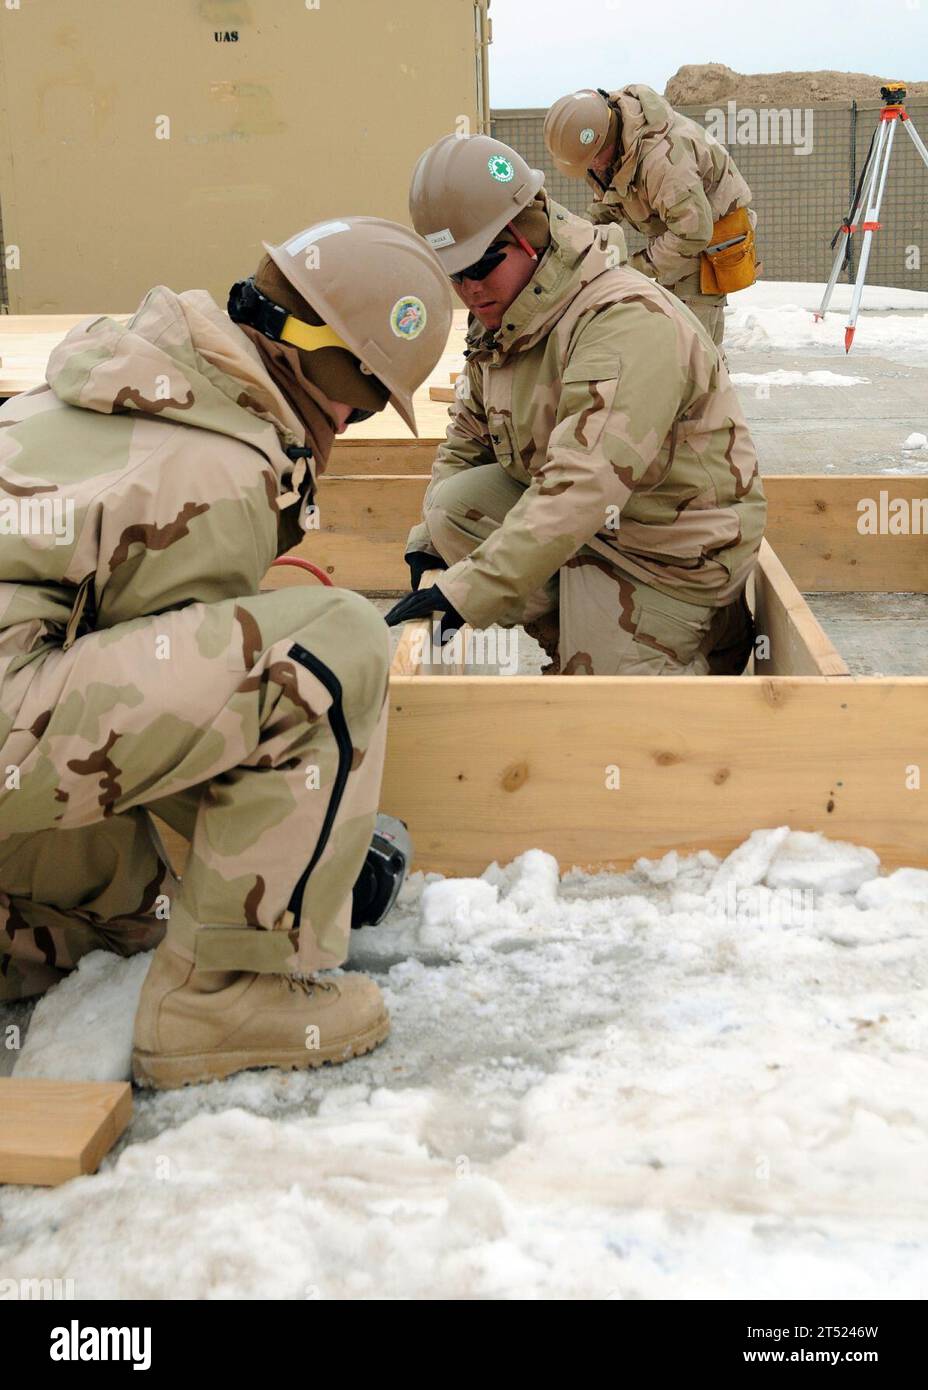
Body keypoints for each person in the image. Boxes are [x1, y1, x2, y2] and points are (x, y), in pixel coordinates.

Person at [0, 217, 451, 1088]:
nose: (350, 430)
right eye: (362, 408)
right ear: (327, 367)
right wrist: (319, 860)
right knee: (334, 643)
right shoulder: (216, 468)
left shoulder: (123, 385)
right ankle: (222, 995)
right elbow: (189, 743)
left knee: (133, 913)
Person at [388, 134, 766, 679]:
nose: (467, 289)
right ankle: (581, 624)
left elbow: (584, 483)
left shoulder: (622, 321)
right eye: (454, 275)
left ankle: (704, 635)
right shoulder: (504, 312)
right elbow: (467, 438)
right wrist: (430, 552)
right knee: (452, 508)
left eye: (480, 266)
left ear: (529, 237)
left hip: (671, 553)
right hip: (603, 528)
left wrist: (468, 591)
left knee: (606, 731)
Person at [544, 86, 755, 348]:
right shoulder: (614, 144)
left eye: (591, 160)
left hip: (706, 241)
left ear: (605, 139)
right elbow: (610, 198)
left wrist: (630, 268)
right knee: (664, 339)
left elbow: (693, 234)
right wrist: (573, 238)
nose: (590, 168)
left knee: (691, 349)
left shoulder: (664, 161)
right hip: (679, 226)